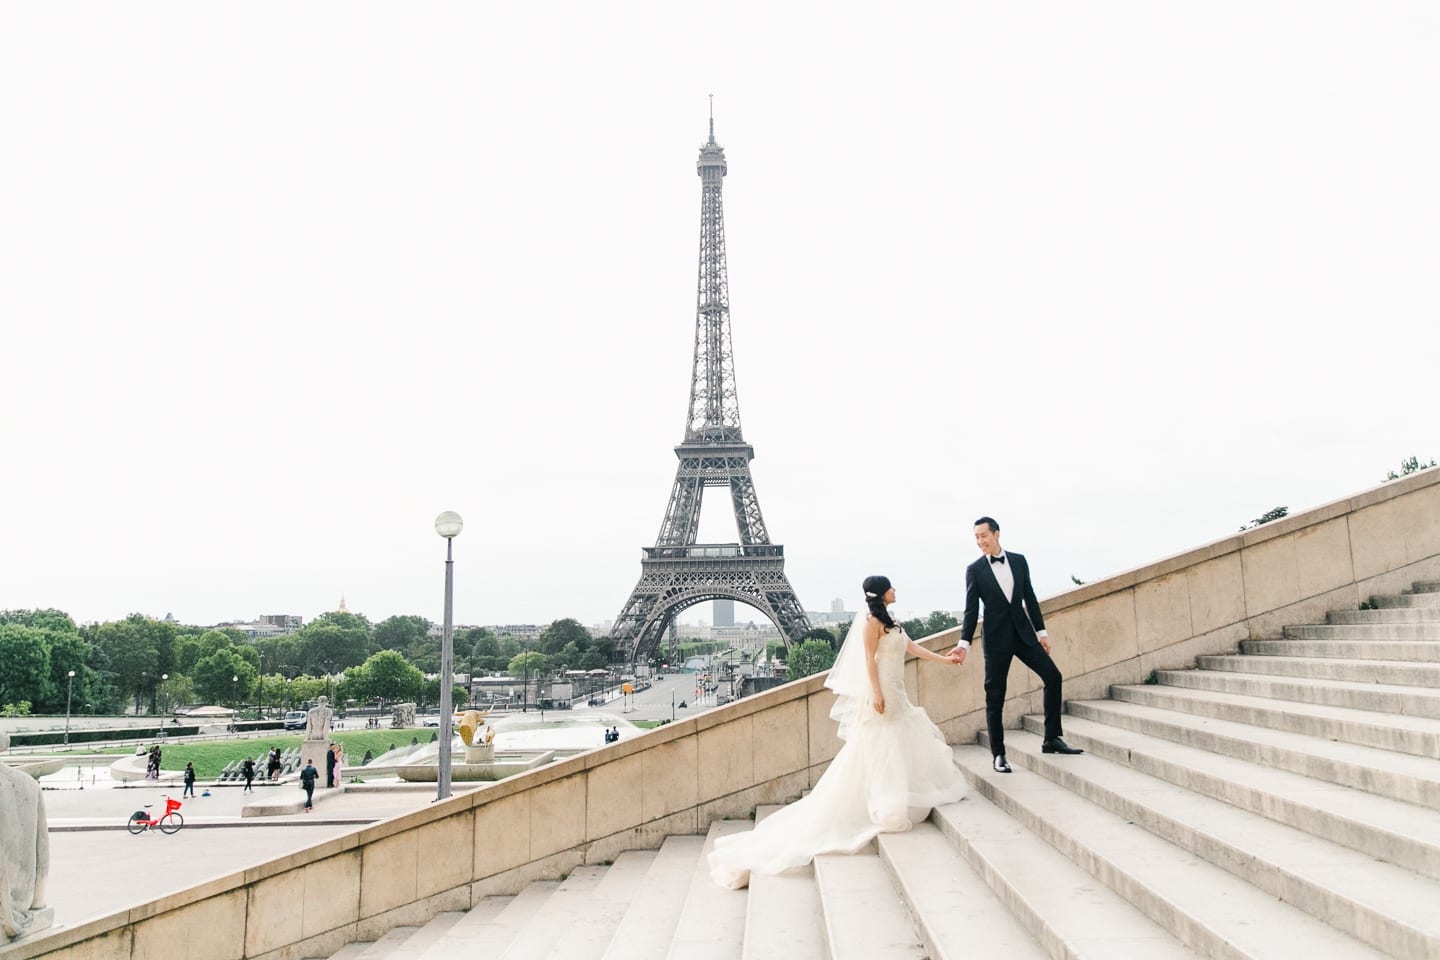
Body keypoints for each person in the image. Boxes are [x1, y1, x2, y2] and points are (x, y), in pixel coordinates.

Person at [708, 576, 967, 889]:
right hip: (883, 692)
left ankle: (891, 796)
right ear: (882, 593)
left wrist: (945, 658)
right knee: (883, 748)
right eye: (892, 587)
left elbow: (910, 648)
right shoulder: (871, 622)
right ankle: (885, 801)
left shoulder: (891, 621)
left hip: (897, 690)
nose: (896, 590)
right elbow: (869, 660)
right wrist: (876, 693)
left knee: (894, 744)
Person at [951, 516, 1082, 774]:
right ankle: (998, 754)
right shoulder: (974, 570)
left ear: (997, 534)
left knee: (1053, 676)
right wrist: (963, 644)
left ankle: (1051, 738)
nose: (980, 542)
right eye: (976, 538)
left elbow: (1030, 598)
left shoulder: (1019, 561)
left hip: (1023, 635)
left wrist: (1041, 632)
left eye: (983, 536)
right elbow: (970, 610)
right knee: (995, 696)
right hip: (996, 640)